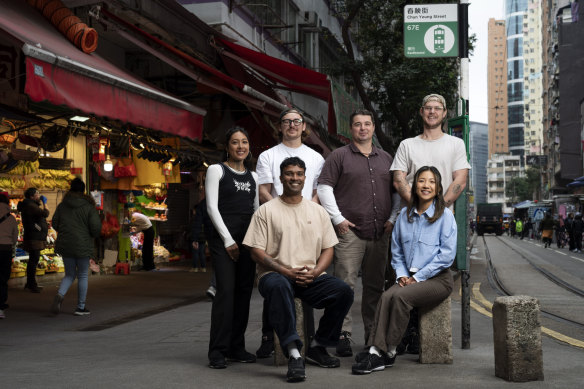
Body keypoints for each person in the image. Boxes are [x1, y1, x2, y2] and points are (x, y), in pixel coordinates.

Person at [243, 157, 353, 382]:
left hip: (309, 276)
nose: (295, 178)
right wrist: (284, 271)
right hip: (274, 276)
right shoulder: (266, 210)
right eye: (290, 173)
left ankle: (318, 346)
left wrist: (315, 272)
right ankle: (294, 353)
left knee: (344, 291)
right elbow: (256, 251)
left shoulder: (318, 211)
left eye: (299, 174)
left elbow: (328, 249)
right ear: (281, 178)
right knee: (279, 286)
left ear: (305, 178)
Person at [352, 166, 457, 374]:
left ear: (437, 189)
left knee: (400, 298)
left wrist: (417, 278)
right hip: (408, 277)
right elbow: (397, 252)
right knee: (387, 295)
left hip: (437, 280)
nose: (426, 185)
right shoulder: (403, 216)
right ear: (414, 185)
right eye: (421, 181)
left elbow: (446, 256)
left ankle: (388, 351)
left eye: (431, 182)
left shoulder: (445, 216)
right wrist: (402, 275)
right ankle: (375, 350)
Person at [389, 93, 469, 354]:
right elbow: (399, 178)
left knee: (432, 271)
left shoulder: (455, 144)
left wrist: (438, 208)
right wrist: (417, 205)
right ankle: (402, 335)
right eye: (428, 108)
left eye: (438, 108)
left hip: (441, 219)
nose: (433, 112)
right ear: (421, 112)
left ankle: (413, 334)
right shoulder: (407, 144)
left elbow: (460, 178)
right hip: (411, 218)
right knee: (404, 272)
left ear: (445, 113)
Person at [317, 109, 398, 357]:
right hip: (349, 232)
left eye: (367, 124)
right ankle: (343, 334)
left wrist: (393, 218)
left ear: (373, 127)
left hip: (379, 231)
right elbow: (324, 188)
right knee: (344, 286)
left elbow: (396, 192)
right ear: (350, 129)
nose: (362, 128)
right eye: (357, 125)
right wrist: (337, 219)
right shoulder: (338, 156)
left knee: (375, 287)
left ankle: (373, 336)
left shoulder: (386, 158)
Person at [254, 108, 325, 358]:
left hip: (308, 222)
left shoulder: (316, 157)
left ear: (304, 126)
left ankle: (312, 336)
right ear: (280, 127)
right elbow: (264, 190)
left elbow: (317, 191)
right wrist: (280, 210)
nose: (292, 125)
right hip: (276, 222)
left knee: (307, 276)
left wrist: (309, 211)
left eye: (297, 122)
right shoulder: (267, 156)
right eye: (287, 122)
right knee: (275, 278)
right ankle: (268, 337)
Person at [206, 127, 259, 369]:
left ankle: (237, 347)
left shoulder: (254, 177)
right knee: (226, 293)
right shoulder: (216, 170)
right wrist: (228, 240)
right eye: (235, 142)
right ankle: (217, 350)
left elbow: (257, 212)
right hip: (223, 241)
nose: (240, 146)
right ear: (226, 146)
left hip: (247, 242)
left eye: (245, 142)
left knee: (244, 293)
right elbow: (212, 208)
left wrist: (256, 242)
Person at [50, 178, 102, 316]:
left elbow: (55, 223)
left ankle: (60, 295)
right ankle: (80, 307)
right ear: (83, 191)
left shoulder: (62, 205)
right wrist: (91, 234)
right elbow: (96, 228)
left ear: (71, 189)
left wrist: (66, 230)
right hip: (83, 245)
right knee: (83, 275)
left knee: (70, 274)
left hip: (66, 244)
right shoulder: (89, 207)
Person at [17, 187, 50, 293]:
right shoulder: (31, 205)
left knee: (33, 260)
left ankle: (30, 283)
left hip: (34, 236)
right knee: (33, 260)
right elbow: (45, 213)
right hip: (34, 237)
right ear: (31, 196)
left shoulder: (30, 205)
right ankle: (32, 284)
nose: (39, 196)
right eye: (37, 194)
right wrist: (45, 204)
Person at [0, 193, 19, 319]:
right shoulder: (11, 218)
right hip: (5, 249)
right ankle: (1, 303)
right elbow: (15, 236)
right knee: (2, 277)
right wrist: (11, 244)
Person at [190, 197, 212, 273]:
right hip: (204, 237)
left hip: (197, 237)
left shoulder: (196, 218)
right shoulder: (206, 216)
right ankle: (203, 268)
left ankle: (195, 267)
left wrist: (194, 239)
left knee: (196, 253)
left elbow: (195, 228)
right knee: (202, 253)